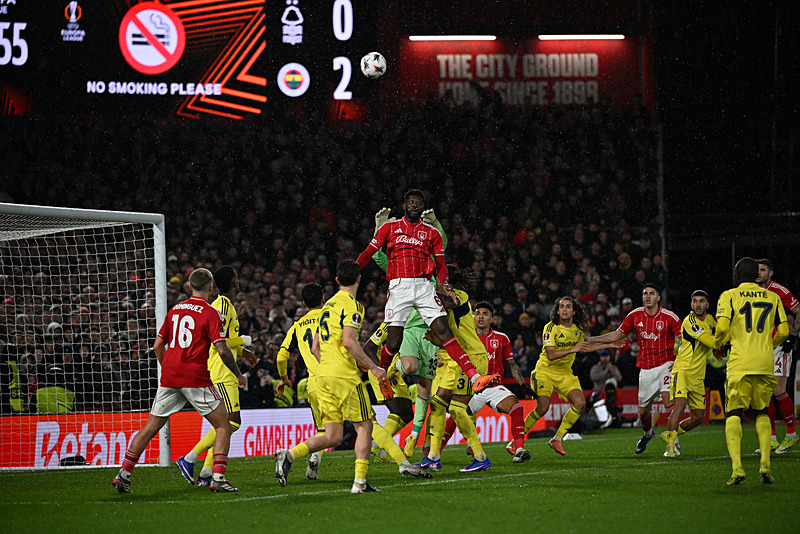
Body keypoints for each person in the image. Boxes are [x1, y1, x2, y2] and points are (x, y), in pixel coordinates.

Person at [273, 260, 421, 494]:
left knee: (332, 435)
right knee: (365, 426)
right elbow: (349, 342)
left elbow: (315, 349)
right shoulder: (352, 306)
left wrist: (330, 367)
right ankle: (359, 483)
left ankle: (290, 455)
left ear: (337, 281)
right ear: (359, 280)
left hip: (321, 378)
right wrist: (373, 367)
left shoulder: (327, 307)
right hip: (344, 378)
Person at [112, 268, 247, 494]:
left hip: (170, 377)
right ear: (211, 288)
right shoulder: (210, 312)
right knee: (224, 425)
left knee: (150, 427)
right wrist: (238, 374)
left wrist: (170, 370)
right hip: (195, 377)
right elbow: (222, 349)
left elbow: (157, 346)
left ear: (190, 287)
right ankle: (218, 478)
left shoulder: (175, 310)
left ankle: (123, 474)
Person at [355, 189, 499, 396]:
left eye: (418, 203)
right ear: (404, 206)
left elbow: (441, 264)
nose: (414, 205)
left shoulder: (431, 233)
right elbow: (371, 253)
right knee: (393, 343)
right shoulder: (390, 228)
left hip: (424, 286)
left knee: (444, 331)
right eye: (411, 202)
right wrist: (354, 269)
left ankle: (475, 378)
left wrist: (446, 285)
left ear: (422, 208)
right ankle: (382, 376)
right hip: (399, 287)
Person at [367, 206, 445, 459]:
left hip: (430, 333)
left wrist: (437, 224)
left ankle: (409, 440)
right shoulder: (399, 265)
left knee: (425, 388)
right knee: (410, 369)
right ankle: (389, 369)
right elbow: (379, 254)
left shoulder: (429, 268)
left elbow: (438, 241)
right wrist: (378, 228)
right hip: (409, 330)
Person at [176, 266, 257, 486]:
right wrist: (244, 341)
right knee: (232, 422)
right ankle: (189, 458)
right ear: (233, 284)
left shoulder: (227, 306)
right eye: (237, 280)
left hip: (222, 370)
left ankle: (206, 473)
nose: (239, 283)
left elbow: (227, 338)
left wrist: (243, 352)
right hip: (220, 371)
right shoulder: (220, 307)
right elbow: (218, 341)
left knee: (223, 424)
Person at [713, 257, 788, 484]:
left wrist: (717, 344)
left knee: (734, 413)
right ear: (757, 275)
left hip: (740, 363)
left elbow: (723, 327)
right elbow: (784, 331)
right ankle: (765, 464)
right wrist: (768, 345)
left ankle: (737, 468)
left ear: (737, 275)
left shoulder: (729, 295)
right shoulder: (773, 297)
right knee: (762, 411)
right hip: (764, 362)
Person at [586, 283, 682, 454]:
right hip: (646, 369)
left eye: (652, 293)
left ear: (658, 298)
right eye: (645, 293)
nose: (648, 296)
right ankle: (648, 433)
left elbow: (684, 339)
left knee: (669, 401)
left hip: (667, 365)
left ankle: (673, 442)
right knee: (644, 412)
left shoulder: (670, 317)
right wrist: (592, 339)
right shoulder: (635, 315)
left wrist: (683, 359)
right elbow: (617, 334)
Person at [520, 296, 622, 455]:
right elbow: (551, 354)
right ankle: (516, 441)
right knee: (542, 409)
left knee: (580, 403)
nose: (565, 309)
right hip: (545, 371)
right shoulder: (551, 327)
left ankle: (557, 439)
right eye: (562, 307)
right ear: (558, 311)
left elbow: (585, 347)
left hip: (565, 373)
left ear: (573, 311)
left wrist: (609, 344)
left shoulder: (577, 330)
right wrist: (573, 349)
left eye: (568, 307)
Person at [419, 265, 493, 472]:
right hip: (456, 358)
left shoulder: (458, 295)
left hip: (472, 356)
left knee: (457, 408)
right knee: (437, 404)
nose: (435, 280)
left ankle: (480, 457)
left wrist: (421, 292)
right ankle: (433, 457)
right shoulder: (440, 298)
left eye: (438, 277)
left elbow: (449, 303)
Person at [274, 282, 326, 479]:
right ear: (323, 299)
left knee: (324, 430)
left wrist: (284, 379)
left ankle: (313, 457)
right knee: (364, 423)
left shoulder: (297, 326)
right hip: (336, 378)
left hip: (313, 384)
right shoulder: (330, 316)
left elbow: (281, 357)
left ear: (304, 303)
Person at [662, 290, 718, 457]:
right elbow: (710, 340)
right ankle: (670, 447)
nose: (698, 305)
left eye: (701, 301)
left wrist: (721, 344)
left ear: (707, 304)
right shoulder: (689, 321)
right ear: (691, 304)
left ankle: (671, 434)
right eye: (695, 301)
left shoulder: (710, 320)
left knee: (698, 417)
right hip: (683, 370)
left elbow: (718, 335)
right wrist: (719, 344)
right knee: (679, 406)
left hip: (698, 375)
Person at [755, 258, 799, 453]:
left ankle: (791, 434)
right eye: (757, 270)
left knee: (778, 390)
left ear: (770, 273)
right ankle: (771, 439)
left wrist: (793, 336)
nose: (759, 273)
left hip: (779, 346)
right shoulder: (750, 292)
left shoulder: (779, 291)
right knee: (764, 395)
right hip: (759, 348)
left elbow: (798, 310)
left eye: (763, 270)